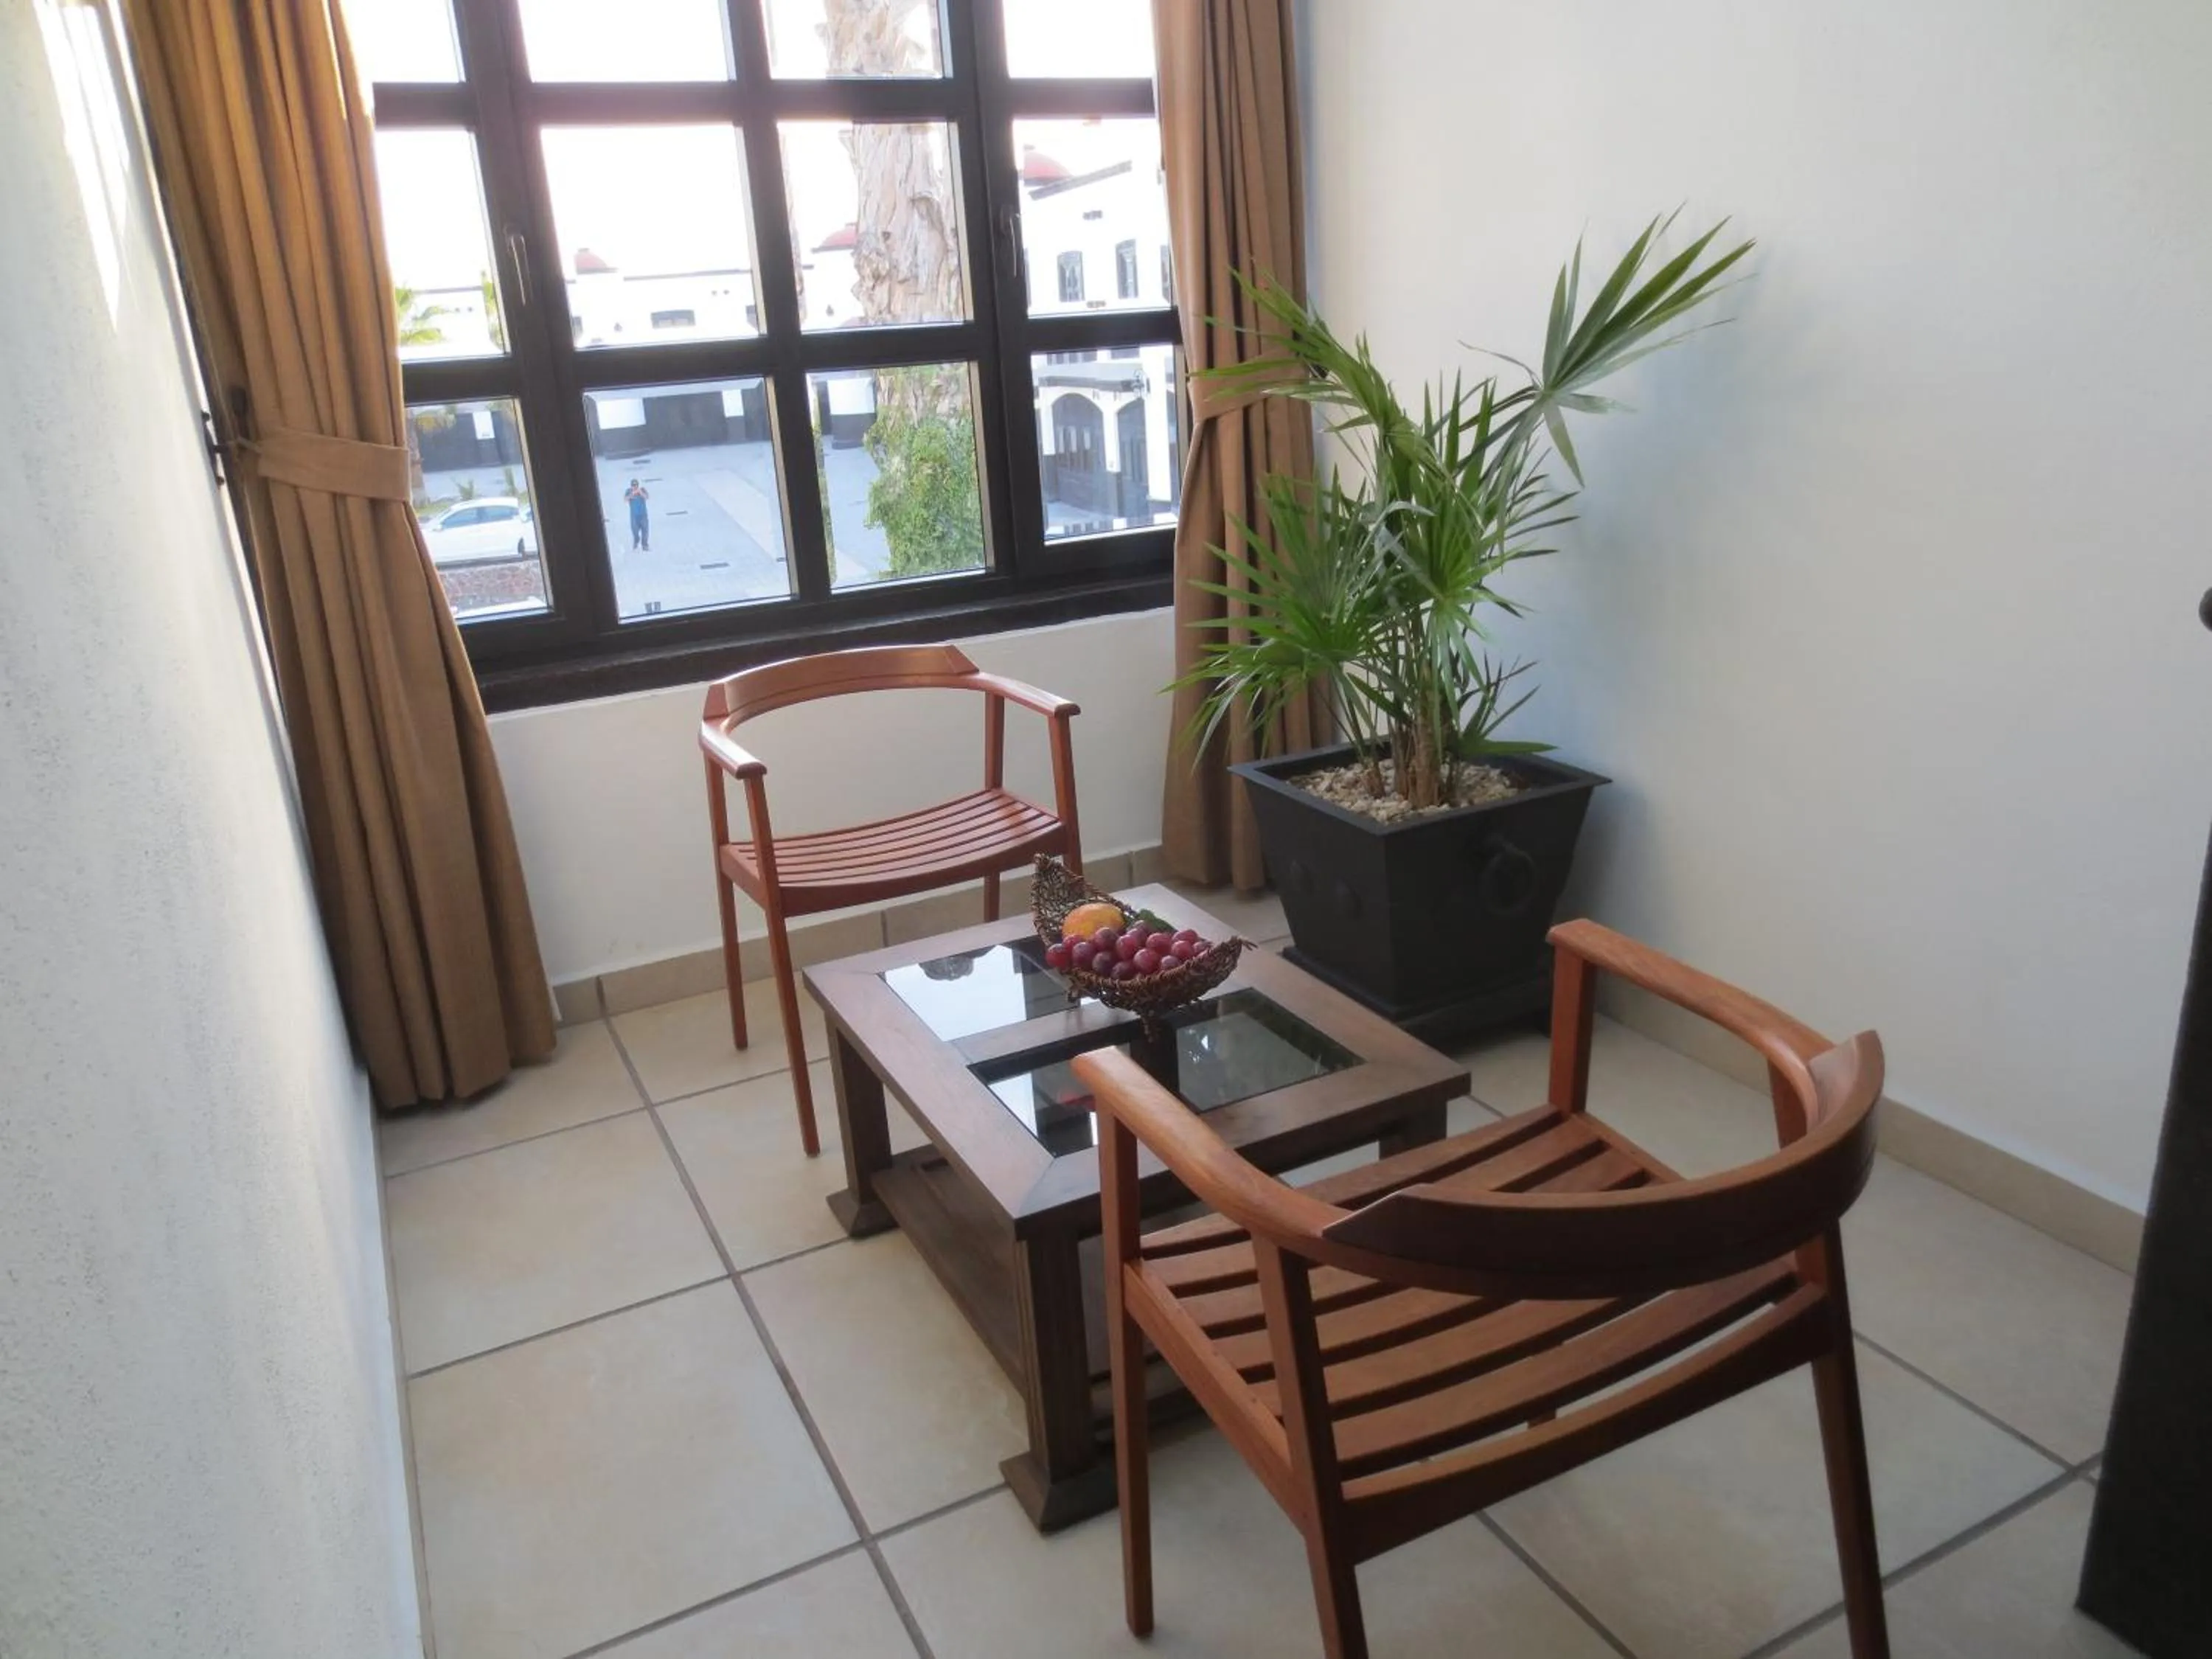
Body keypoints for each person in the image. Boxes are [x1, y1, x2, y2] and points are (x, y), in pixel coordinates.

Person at [624, 478, 650, 551]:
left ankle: (645, 545)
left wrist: (640, 493)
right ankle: (636, 540)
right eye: (633, 485)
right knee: (634, 530)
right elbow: (625, 499)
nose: (634, 487)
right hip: (634, 516)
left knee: (645, 531)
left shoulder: (642, 490)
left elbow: (647, 497)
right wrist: (632, 494)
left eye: (636, 485)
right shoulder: (629, 491)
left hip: (643, 514)